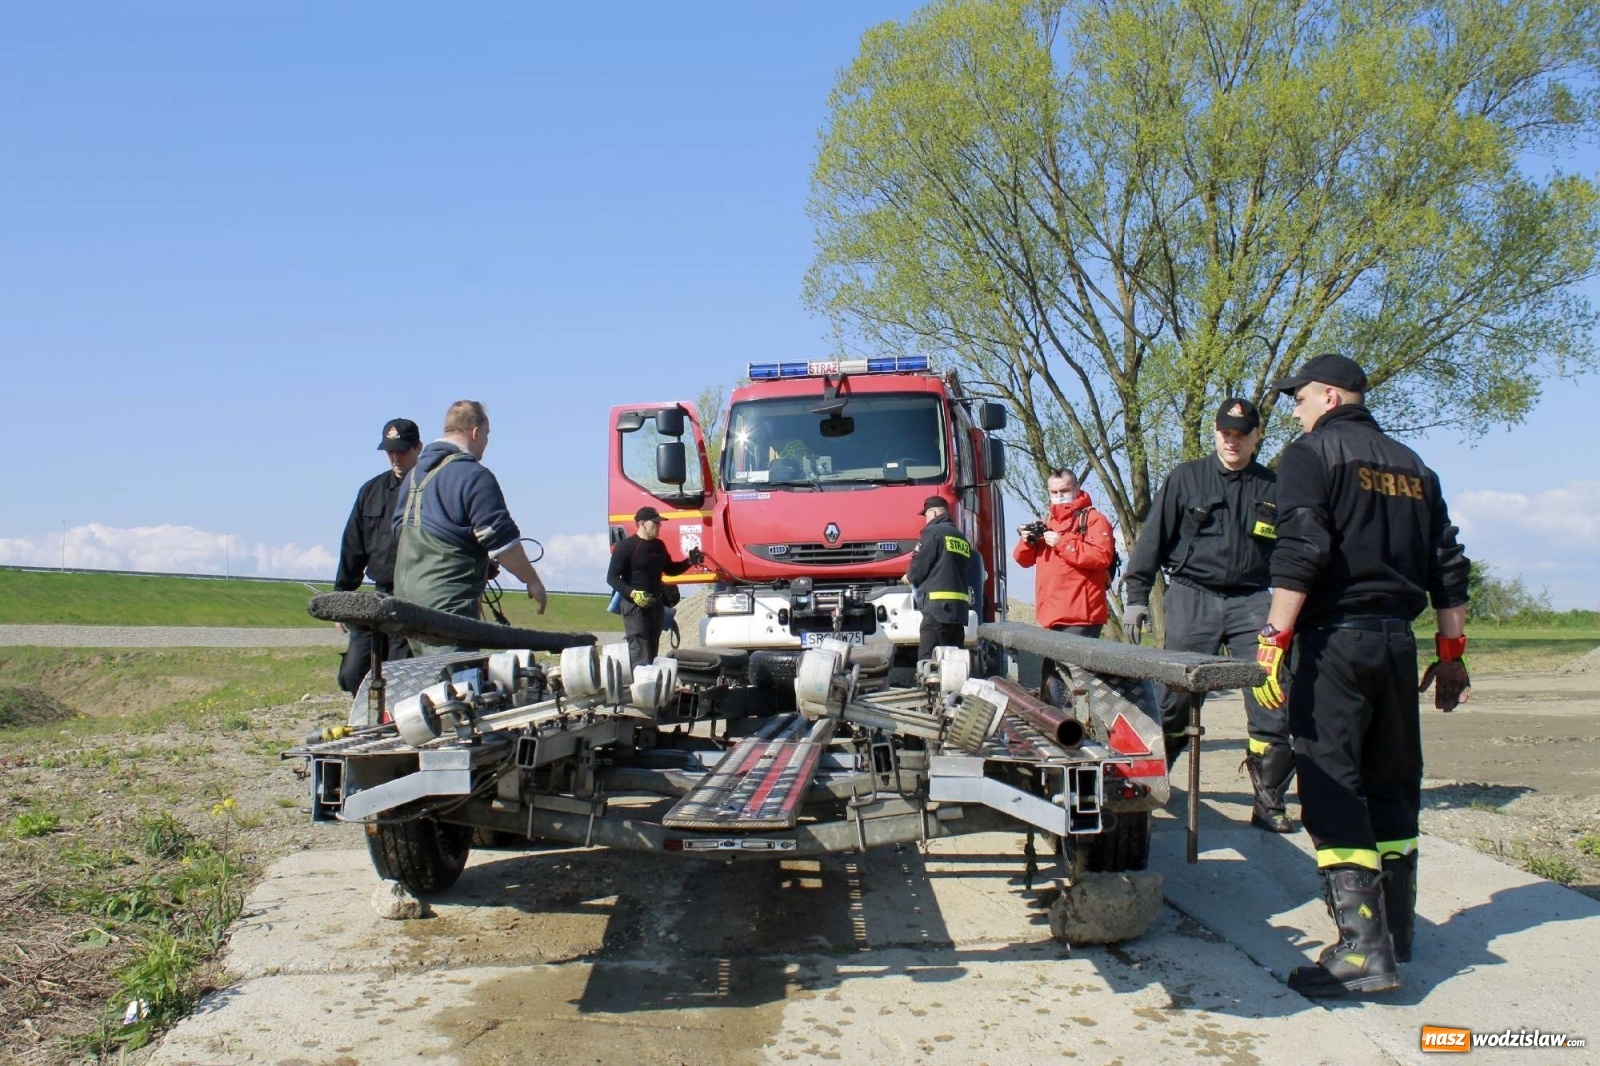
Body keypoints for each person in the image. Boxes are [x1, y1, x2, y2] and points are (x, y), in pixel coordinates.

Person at [1251, 353, 1470, 998]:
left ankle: (1361, 951)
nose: (1294, 408)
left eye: (1298, 398)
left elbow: (1302, 548)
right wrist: (1452, 653)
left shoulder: (1310, 454)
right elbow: (1447, 564)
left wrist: (1273, 638)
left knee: (1332, 785)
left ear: (1326, 394)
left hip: (1334, 642)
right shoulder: (1413, 465)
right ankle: (1397, 933)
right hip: (1398, 645)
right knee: (1393, 782)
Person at [1122, 397, 1294, 832]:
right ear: (1216, 433)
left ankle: (1269, 802)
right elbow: (1151, 540)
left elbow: (1295, 555)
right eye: (1225, 433)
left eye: (1241, 433)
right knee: (1175, 699)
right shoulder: (1186, 478)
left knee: (1271, 695)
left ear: (1257, 436)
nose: (1232, 440)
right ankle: (1149, 785)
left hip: (1253, 601)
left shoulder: (1274, 488)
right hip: (1192, 596)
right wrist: (1137, 596)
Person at [392, 400, 549, 655]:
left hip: (406, 604)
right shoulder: (472, 475)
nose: (486, 443)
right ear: (475, 432)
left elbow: (401, 531)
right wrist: (532, 581)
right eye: (486, 435)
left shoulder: (412, 477)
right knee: (458, 687)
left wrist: (476, 561)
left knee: (426, 685)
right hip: (448, 610)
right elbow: (501, 540)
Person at [332, 418, 422, 692]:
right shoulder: (370, 491)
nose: (395, 458)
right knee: (354, 674)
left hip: (414, 599)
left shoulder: (430, 491)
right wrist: (340, 597)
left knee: (400, 675)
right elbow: (352, 547)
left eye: (402, 451)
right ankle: (366, 719)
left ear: (418, 448)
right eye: (390, 451)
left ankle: (396, 724)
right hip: (378, 597)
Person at [1013, 468, 1116, 637]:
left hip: (1080, 617)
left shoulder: (1093, 519)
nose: (1059, 496)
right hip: (1049, 616)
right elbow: (1022, 560)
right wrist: (1027, 542)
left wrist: (1063, 544)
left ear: (1077, 488)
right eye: (1054, 492)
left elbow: (1102, 556)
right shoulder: (1046, 521)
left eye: (1064, 490)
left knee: (1075, 664)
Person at [607, 505, 702, 670]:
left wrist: (689, 561)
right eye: (656, 523)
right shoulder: (626, 546)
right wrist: (633, 593)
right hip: (633, 605)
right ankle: (641, 688)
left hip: (655, 604)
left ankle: (651, 688)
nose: (659, 526)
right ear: (642, 524)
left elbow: (671, 569)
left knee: (652, 649)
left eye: (660, 523)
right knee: (639, 647)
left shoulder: (659, 546)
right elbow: (612, 578)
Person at [903, 495, 978, 662]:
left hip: (936, 610)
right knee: (954, 661)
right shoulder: (961, 538)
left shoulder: (933, 532)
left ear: (934, 512)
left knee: (928, 661)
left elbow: (920, 563)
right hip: (958, 613)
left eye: (926, 515)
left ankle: (930, 688)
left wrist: (909, 576)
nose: (926, 520)